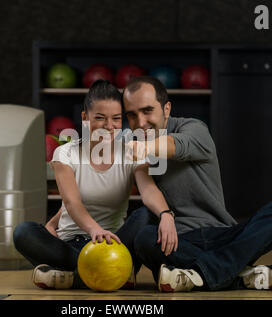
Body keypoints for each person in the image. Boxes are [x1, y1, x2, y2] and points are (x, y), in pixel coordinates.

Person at [122, 76, 272, 292]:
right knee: (144, 237)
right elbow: (147, 189)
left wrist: (145, 147)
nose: (140, 122)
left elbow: (177, 144)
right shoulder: (138, 145)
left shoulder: (194, 128)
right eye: (132, 115)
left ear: (166, 109)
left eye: (147, 111)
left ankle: (203, 272)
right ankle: (239, 274)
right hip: (178, 242)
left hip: (223, 235)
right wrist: (166, 214)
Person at [13, 80, 177, 289]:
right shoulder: (65, 153)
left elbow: (149, 190)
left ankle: (71, 277)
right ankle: (110, 274)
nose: (109, 126)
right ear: (85, 118)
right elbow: (72, 202)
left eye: (116, 119)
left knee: (146, 215)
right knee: (23, 232)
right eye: (100, 118)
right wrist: (95, 231)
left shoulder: (132, 152)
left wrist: (165, 214)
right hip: (72, 243)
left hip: (116, 244)